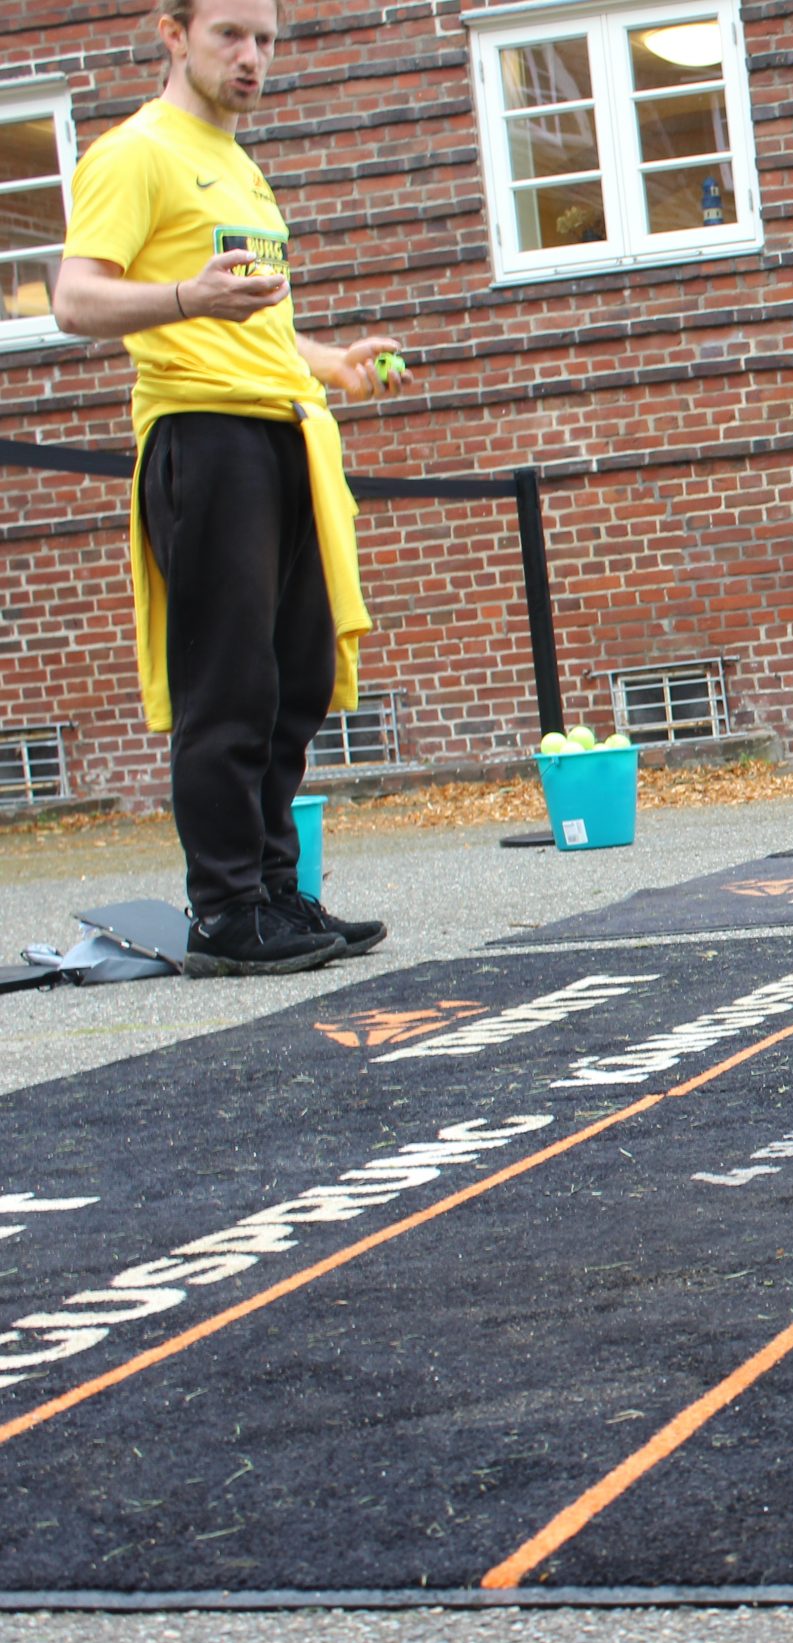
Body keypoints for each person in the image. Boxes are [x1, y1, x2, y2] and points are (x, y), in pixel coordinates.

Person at [51, 0, 406, 977]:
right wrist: (185, 297)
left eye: (266, 41)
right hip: (204, 439)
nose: (252, 58)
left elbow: (251, 321)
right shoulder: (137, 153)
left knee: (293, 678)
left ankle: (275, 894)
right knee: (230, 683)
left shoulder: (240, 165)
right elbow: (74, 297)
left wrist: (330, 363)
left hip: (281, 430)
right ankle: (224, 910)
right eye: (229, 36)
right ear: (173, 33)